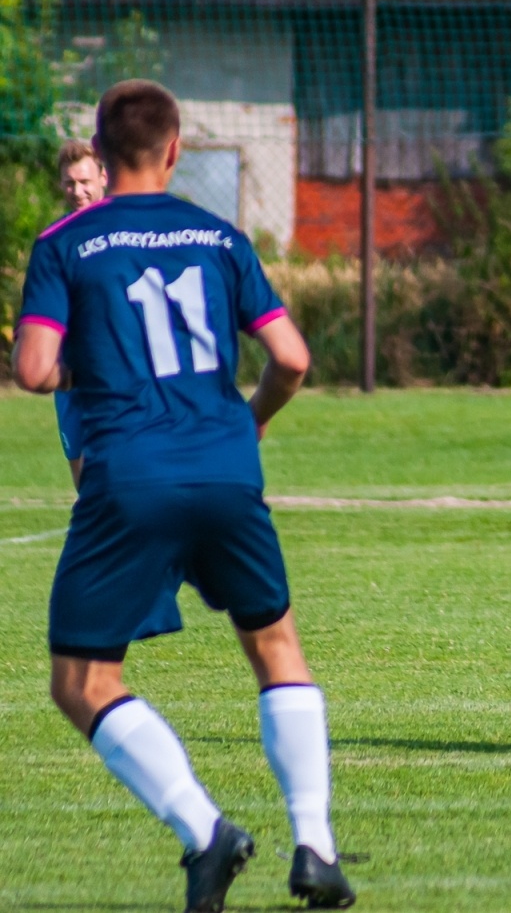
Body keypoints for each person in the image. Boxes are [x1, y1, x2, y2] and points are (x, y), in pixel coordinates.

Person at [12, 81, 355, 910]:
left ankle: (206, 832)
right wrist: (251, 421)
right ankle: (315, 845)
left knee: (81, 679)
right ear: (175, 151)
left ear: (100, 146)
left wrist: (94, 361)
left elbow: (31, 371)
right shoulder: (220, 236)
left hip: (127, 473)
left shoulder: (66, 242)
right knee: (275, 646)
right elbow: (293, 358)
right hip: (226, 465)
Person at [52, 139, 108, 490]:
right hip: (72, 377)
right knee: (85, 484)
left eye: (85, 182)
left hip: (118, 375)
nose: (78, 191)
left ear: (103, 177)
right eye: (70, 183)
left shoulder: (126, 232)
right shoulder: (55, 243)